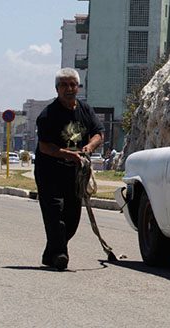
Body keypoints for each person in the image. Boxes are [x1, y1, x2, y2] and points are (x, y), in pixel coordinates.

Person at [35, 68, 104, 270]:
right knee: (55, 213)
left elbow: (98, 133)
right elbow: (45, 146)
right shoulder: (48, 114)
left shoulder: (85, 110)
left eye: (73, 84)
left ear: (78, 87)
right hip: (49, 171)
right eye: (64, 85)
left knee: (72, 218)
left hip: (75, 173)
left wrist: (89, 147)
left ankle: (51, 253)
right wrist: (68, 154)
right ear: (57, 89)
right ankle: (60, 255)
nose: (69, 88)